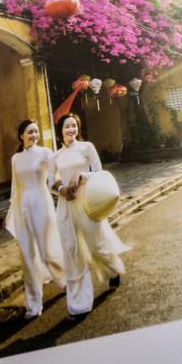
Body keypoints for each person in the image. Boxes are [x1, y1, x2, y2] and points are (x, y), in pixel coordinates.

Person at [54, 113, 130, 297]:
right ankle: (79, 290)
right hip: (66, 204)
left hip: (87, 201)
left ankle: (113, 270)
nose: (71, 129)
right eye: (67, 126)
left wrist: (82, 176)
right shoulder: (56, 155)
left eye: (74, 125)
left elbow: (99, 172)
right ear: (60, 130)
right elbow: (52, 181)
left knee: (96, 244)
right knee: (72, 248)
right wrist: (62, 189)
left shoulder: (87, 147)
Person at [3, 119, 66, 320]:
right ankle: (33, 304)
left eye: (36, 131)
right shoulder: (16, 158)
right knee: (27, 256)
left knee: (47, 252)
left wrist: (64, 189)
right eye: (30, 132)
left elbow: (54, 179)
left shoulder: (46, 153)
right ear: (21, 135)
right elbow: (15, 188)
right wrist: (9, 212)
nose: (34, 135)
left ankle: (64, 280)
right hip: (22, 209)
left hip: (42, 206)